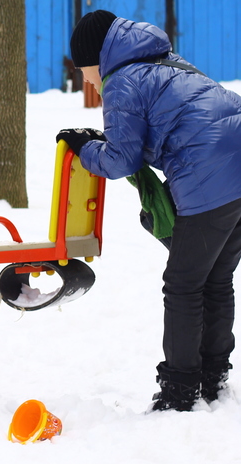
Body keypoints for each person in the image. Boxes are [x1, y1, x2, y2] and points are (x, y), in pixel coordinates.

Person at [57, 10, 241, 411]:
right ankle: (213, 376)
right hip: (236, 168)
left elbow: (121, 159)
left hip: (208, 174)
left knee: (183, 284)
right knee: (215, 277)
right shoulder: (164, 62)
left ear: (95, 57)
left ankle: (180, 389)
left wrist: (83, 148)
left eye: (81, 68)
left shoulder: (121, 79)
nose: (85, 78)